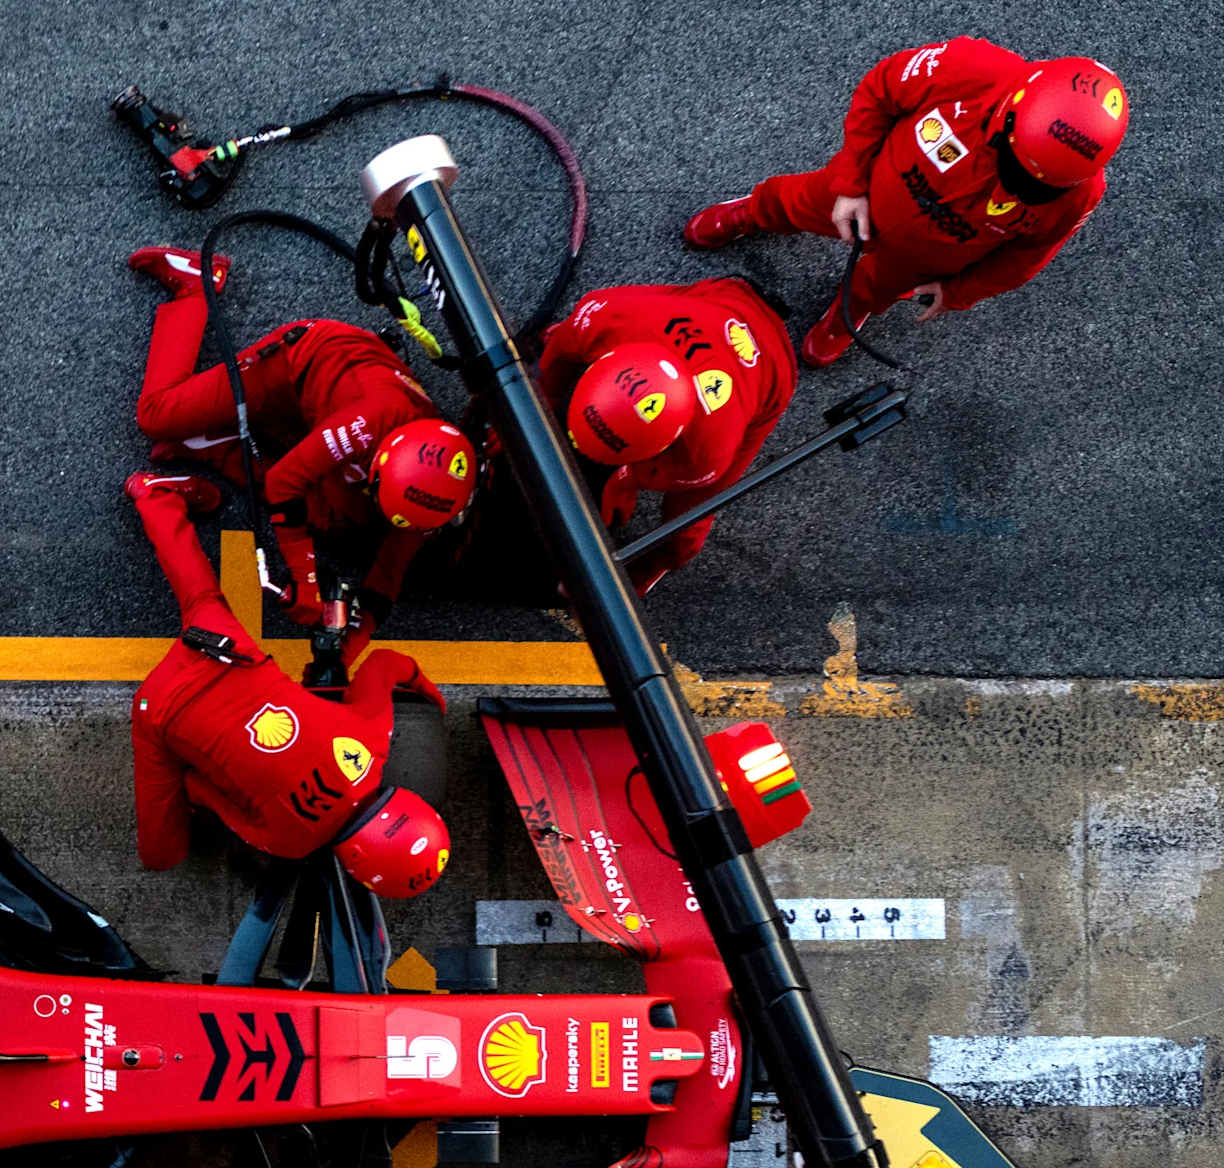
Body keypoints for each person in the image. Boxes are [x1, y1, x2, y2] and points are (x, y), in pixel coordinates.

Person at [684, 40, 1129, 367]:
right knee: (792, 202)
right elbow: (879, 90)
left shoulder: (1081, 193)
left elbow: (1028, 257)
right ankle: (752, 212)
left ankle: (849, 313)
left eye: (1036, 183)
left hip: (925, 258)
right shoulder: (968, 67)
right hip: (868, 189)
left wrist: (959, 292)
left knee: (876, 289)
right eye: (1017, 167)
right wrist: (850, 181)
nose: (1017, 187)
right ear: (1010, 112)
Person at [125, 473, 452, 901]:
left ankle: (154, 492)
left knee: (202, 597)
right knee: (160, 857)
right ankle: (151, 493)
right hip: (162, 708)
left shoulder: (370, 742)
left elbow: (386, 663)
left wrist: (433, 695)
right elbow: (201, 792)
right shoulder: (289, 843)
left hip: (226, 651)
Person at [125, 247, 477, 635]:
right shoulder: (370, 420)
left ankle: (214, 444)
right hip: (294, 368)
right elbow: (283, 483)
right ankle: (196, 283)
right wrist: (304, 580)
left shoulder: (439, 484)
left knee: (344, 524)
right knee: (157, 416)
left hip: (328, 411)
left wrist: (351, 648)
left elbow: (391, 565)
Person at [530, 280, 799, 588]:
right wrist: (541, 397)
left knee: (689, 520)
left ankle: (657, 564)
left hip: (774, 369)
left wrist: (624, 481)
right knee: (570, 334)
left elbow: (652, 478)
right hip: (722, 299)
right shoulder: (606, 316)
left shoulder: (706, 453)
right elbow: (561, 354)